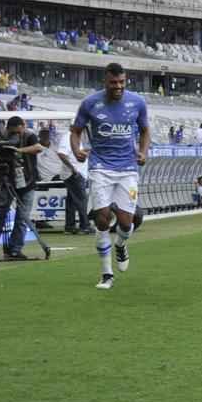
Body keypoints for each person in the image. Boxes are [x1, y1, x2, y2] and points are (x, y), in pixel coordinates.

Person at [70, 62, 150, 290]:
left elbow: (145, 130)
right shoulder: (90, 103)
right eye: (114, 82)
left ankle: (121, 245)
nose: (118, 87)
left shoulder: (137, 102)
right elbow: (75, 131)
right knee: (102, 218)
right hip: (100, 167)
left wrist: (143, 151)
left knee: (126, 223)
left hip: (127, 169)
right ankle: (106, 273)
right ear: (105, 81)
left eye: (122, 82)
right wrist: (77, 150)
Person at [0, 116, 43, 261]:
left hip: (27, 182)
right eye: (12, 132)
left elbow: (38, 147)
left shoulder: (29, 135)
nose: (16, 134)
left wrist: (18, 149)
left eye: (18, 131)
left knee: (22, 218)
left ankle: (15, 250)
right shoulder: (1, 134)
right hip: (6, 180)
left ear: (23, 126)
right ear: (8, 129)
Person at [54, 127, 91, 234]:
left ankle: (70, 226)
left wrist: (85, 151)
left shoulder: (74, 137)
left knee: (71, 201)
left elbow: (69, 153)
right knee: (81, 200)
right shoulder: (68, 137)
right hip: (74, 174)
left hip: (74, 173)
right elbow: (61, 154)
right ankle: (85, 226)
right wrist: (73, 169)